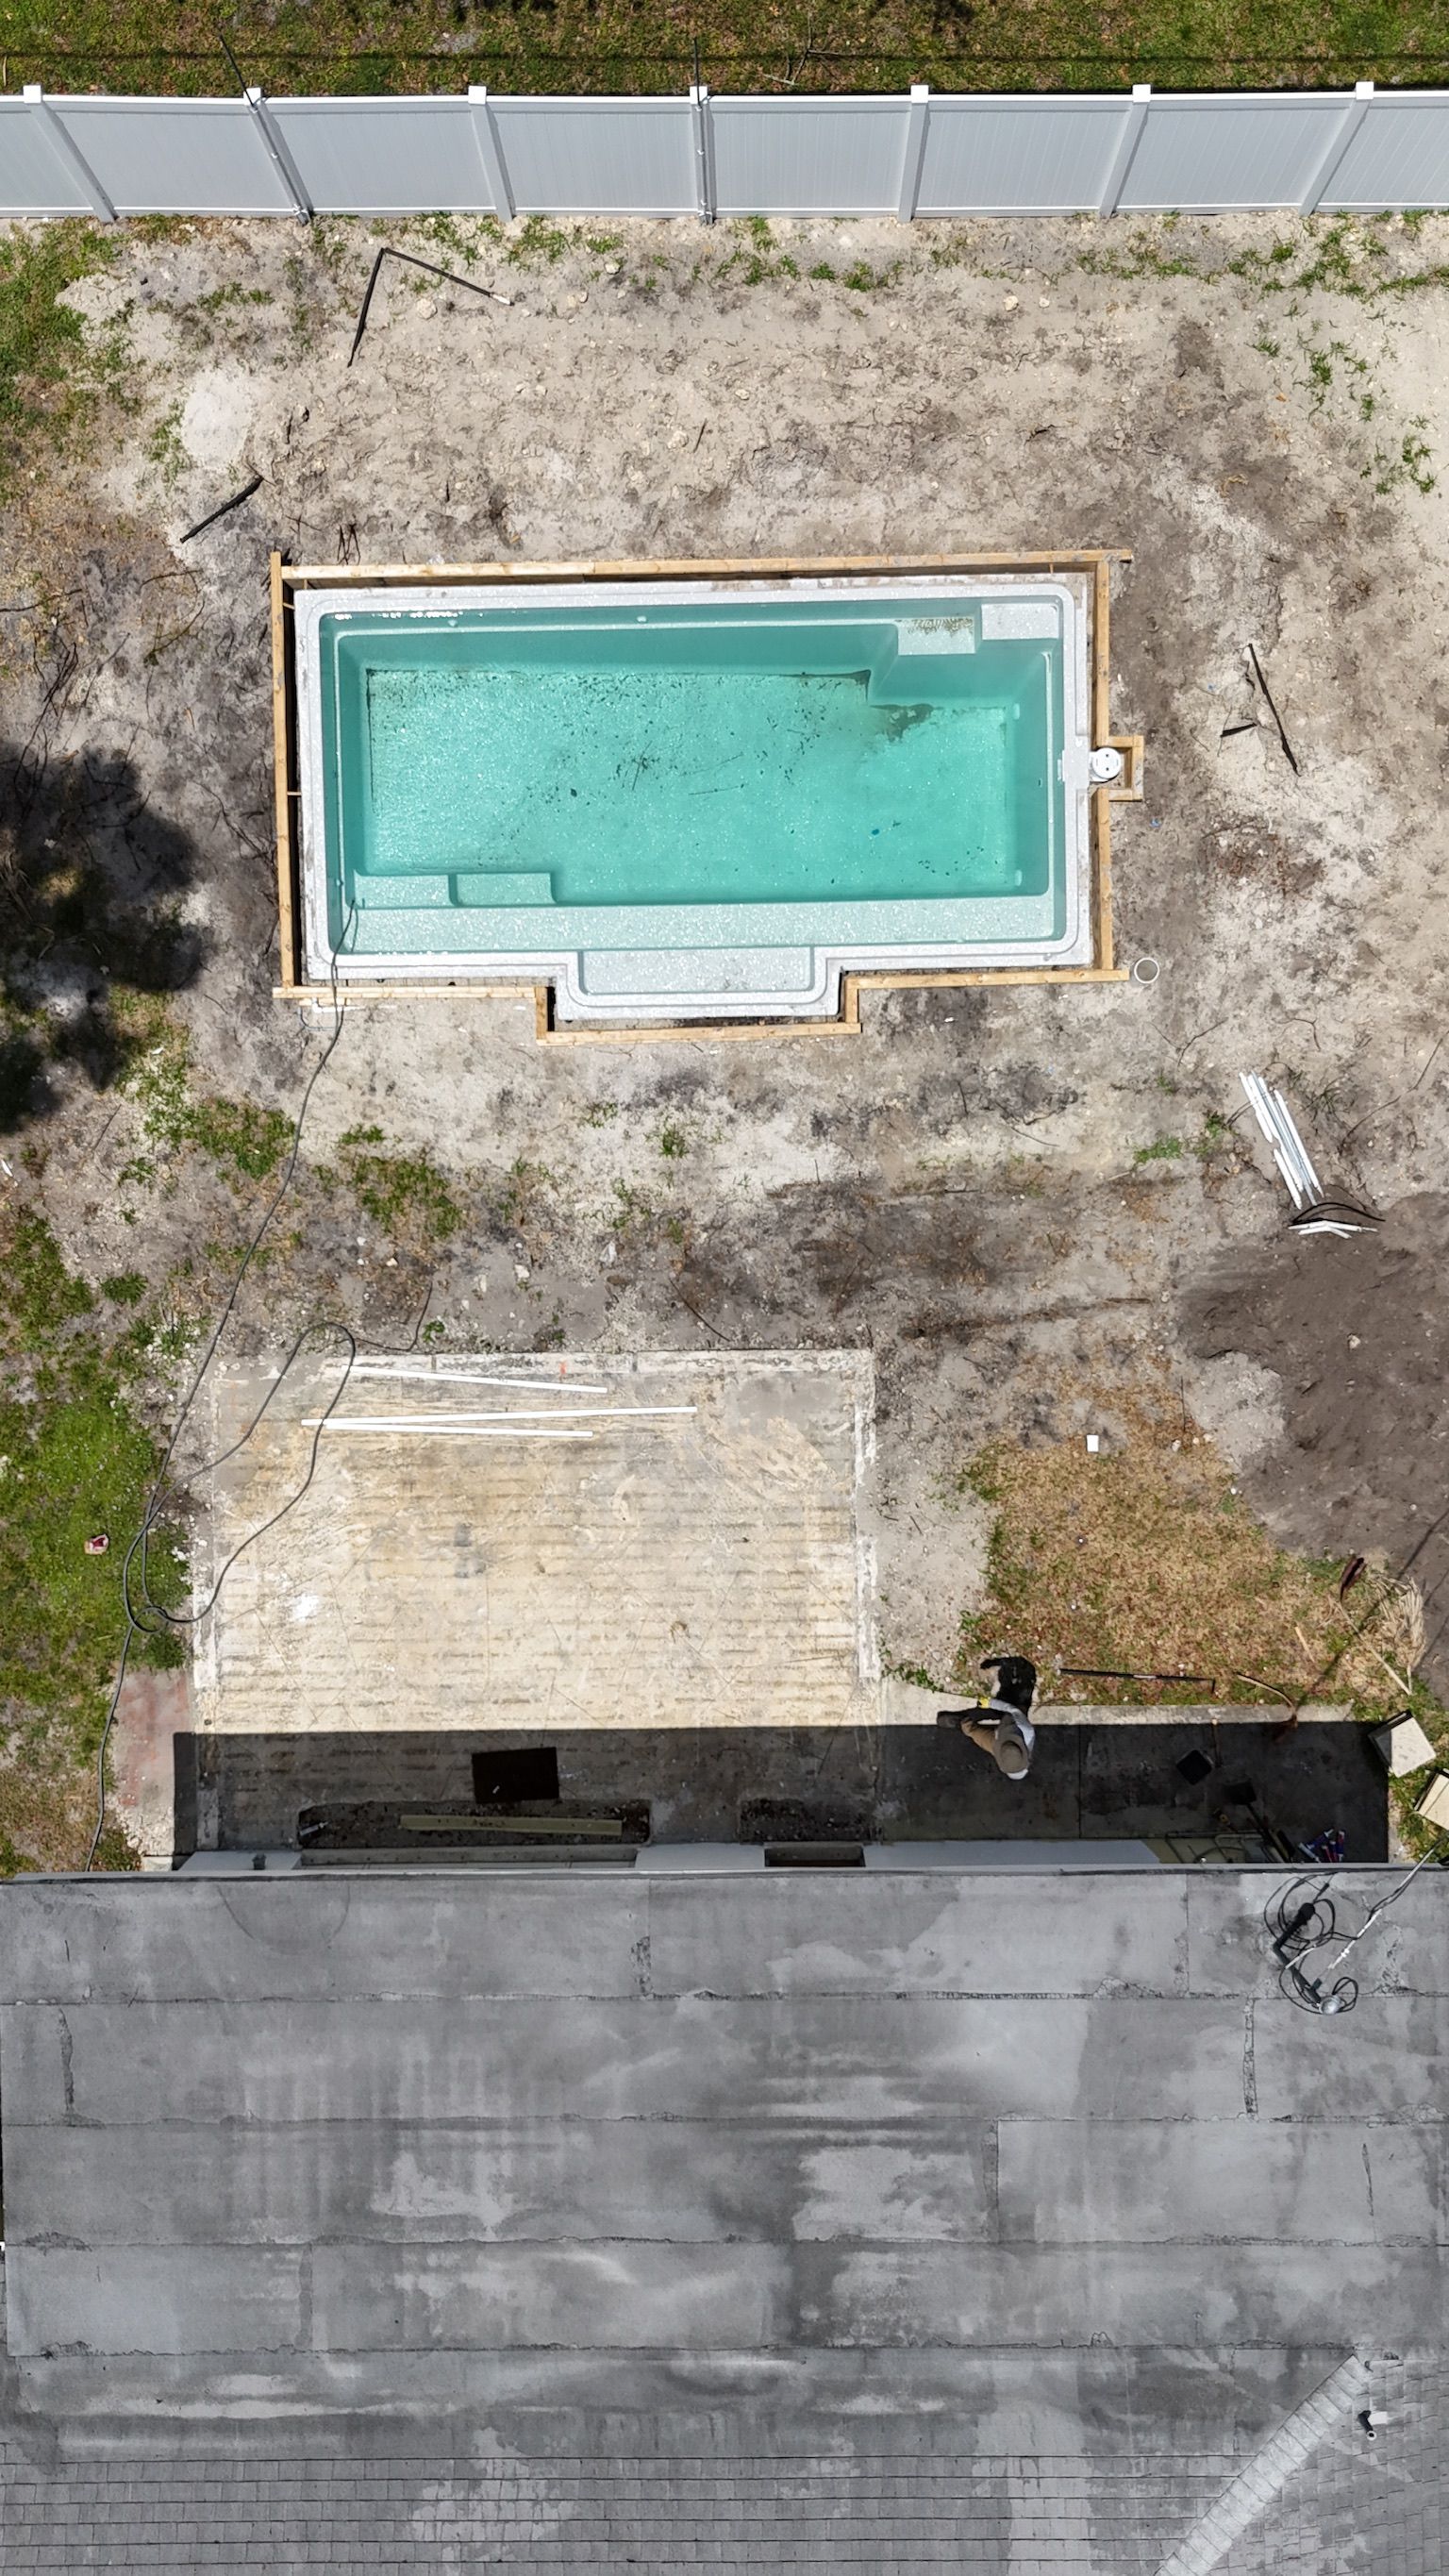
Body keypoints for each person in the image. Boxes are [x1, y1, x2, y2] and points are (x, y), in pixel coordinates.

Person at [943, 1653, 1039, 1780]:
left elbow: (983, 1739)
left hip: (997, 1740)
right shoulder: (1027, 1731)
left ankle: (959, 1722)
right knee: (1012, 1703)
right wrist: (990, 1703)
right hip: (1014, 1714)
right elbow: (1013, 1710)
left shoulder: (1000, 1751)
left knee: (973, 1732)